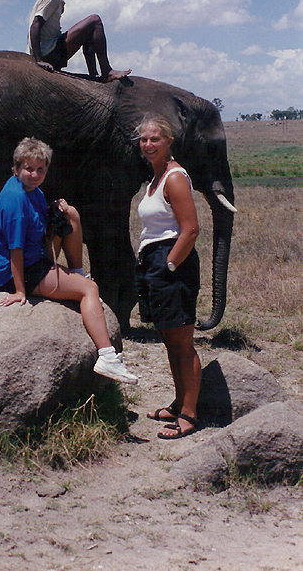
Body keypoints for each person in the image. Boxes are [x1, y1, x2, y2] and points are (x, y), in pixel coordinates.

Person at [0, 137, 138, 384]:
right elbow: (15, 249)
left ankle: (77, 272)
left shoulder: (31, 190)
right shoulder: (16, 200)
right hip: (14, 269)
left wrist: (54, 207)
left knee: (70, 214)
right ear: (16, 169)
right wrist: (20, 290)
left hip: (32, 257)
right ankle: (107, 356)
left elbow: (39, 222)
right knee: (90, 289)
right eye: (28, 168)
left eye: (40, 169)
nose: (34, 174)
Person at [135, 114, 201, 439]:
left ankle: (189, 415)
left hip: (173, 262)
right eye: (144, 140)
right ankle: (178, 404)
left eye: (155, 139)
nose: (148, 145)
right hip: (155, 261)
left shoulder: (175, 177)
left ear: (168, 141)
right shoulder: (155, 178)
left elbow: (190, 229)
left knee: (183, 344)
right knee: (169, 341)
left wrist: (170, 265)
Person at [27, 0, 131, 83]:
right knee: (95, 21)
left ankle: (94, 74)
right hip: (49, 53)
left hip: (49, 49)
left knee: (87, 31)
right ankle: (107, 71)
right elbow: (35, 25)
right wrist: (39, 60)